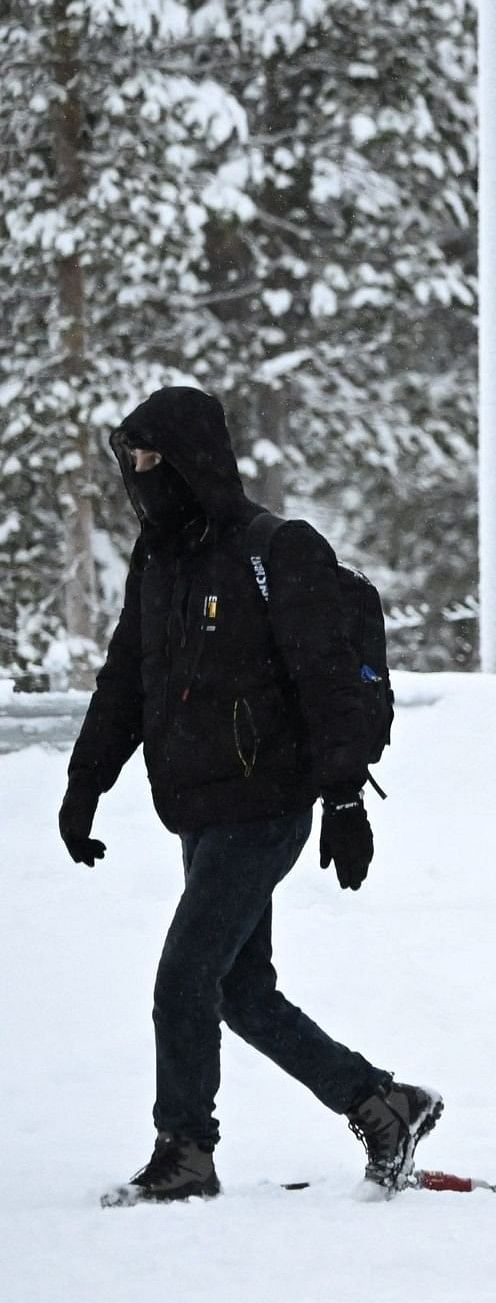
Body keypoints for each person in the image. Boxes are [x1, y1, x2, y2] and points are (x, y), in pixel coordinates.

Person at [60, 386, 441, 1207]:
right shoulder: (159, 558)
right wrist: (85, 781)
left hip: (267, 804)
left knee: (185, 975)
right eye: (133, 460)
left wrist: (343, 800)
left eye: (155, 458)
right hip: (199, 808)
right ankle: (384, 1103)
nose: (141, 473)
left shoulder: (276, 550)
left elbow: (329, 684)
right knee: (239, 989)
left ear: (196, 458)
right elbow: (127, 678)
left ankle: (186, 1149)